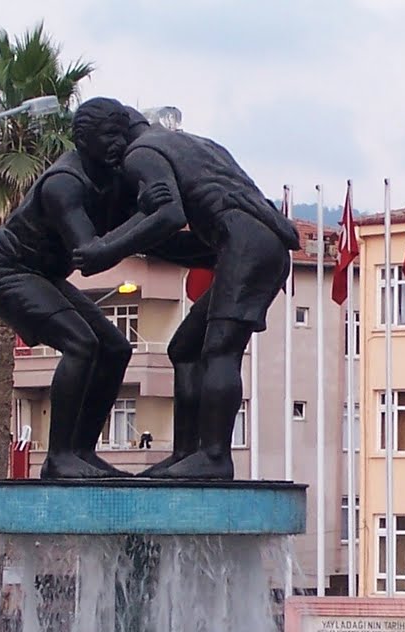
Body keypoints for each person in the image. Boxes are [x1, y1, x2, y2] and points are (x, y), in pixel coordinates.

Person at [71, 97, 300, 480]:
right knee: (185, 348)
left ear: (108, 137)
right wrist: (140, 239)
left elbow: (170, 215)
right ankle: (186, 453)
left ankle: (214, 457)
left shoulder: (140, 155)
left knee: (220, 349)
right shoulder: (197, 144)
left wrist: (104, 249)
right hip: (253, 243)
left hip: (247, 245)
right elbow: (191, 235)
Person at [0, 141, 136, 479]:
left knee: (116, 348)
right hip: (9, 274)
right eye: (114, 139)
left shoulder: (110, 182)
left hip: (41, 274)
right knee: (82, 344)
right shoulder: (65, 182)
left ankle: (82, 451)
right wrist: (154, 222)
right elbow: (88, 250)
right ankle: (59, 456)